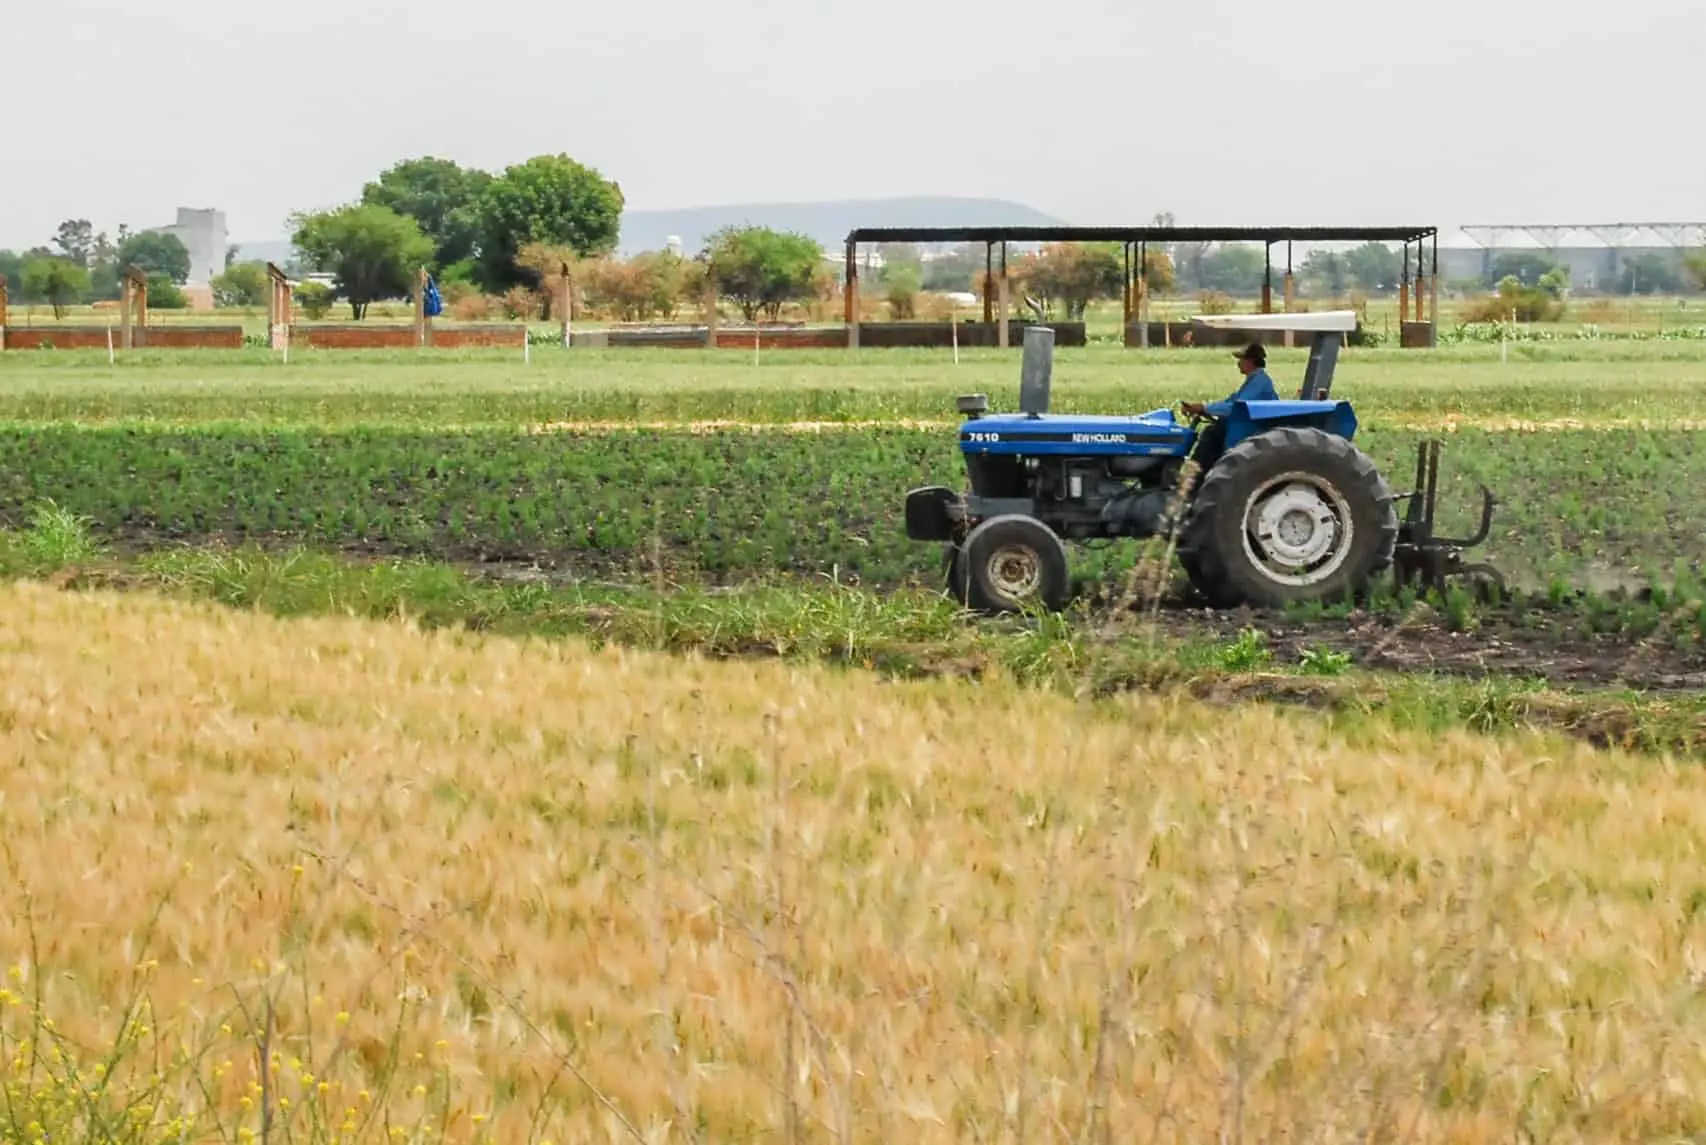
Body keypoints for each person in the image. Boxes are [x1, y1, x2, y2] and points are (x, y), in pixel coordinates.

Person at [1179, 341, 1279, 466]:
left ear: (1251, 361)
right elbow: (1229, 402)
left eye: (1241, 359)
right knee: (1212, 432)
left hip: (1250, 429)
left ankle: (1192, 475)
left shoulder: (1259, 383)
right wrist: (1202, 408)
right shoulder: (1253, 381)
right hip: (1245, 426)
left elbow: (1236, 407)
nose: (1238, 363)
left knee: (1211, 434)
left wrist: (1204, 408)